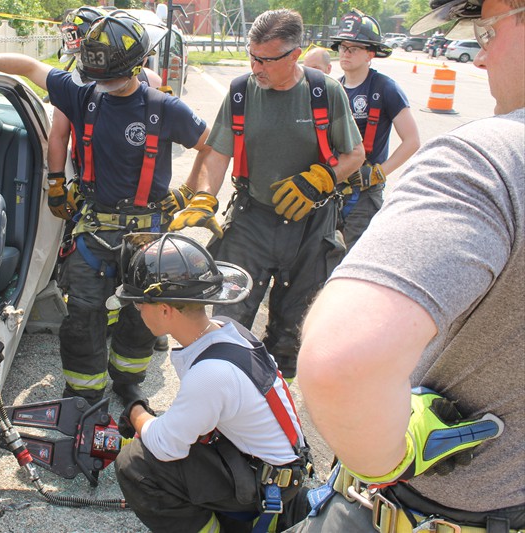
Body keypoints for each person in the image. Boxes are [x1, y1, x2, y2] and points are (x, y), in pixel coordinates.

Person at [288, 0, 524, 530]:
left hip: (429, 508)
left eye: (486, 31)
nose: (480, 60)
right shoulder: (325, 87)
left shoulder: (485, 161)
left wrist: (386, 455)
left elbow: (342, 361)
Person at [0, 14, 210, 405]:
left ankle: (127, 379)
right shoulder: (82, 94)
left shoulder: (164, 108)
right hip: (94, 230)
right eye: (96, 76)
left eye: (109, 77)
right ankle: (83, 391)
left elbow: (211, 144)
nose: (101, 84)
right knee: (84, 314)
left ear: (136, 66)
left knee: (142, 315)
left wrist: (192, 192)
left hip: (147, 232)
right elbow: (32, 67)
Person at [170, 9, 364, 380]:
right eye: (252, 57)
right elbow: (218, 152)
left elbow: (355, 155)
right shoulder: (242, 91)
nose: (256, 67)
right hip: (252, 218)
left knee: (294, 330)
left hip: (311, 225)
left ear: (294, 55)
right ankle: (225, 397)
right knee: (229, 316)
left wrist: (320, 179)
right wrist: (205, 196)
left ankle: (275, 403)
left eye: (266, 60)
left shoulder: (325, 92)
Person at [110, 232, 313, 533]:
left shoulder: (211, 373)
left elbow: (167, 446)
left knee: (135, 463)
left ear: (165, 310)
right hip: (277, 467)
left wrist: (137, 413)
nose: (138, 309)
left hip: (270, 486)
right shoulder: (227, 332)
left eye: (140, 303)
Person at [46, 7, 170, 353]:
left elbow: (57, 136)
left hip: (103, 196)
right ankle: (138, 328)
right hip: (117, 195)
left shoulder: (80, 83)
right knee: (137, 274)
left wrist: (56, 183)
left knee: (101, 273)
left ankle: (113, 328)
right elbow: (60, 135)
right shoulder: (145, 81)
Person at [330, 12, 421, 250]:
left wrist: (380, 172)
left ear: (371, 53)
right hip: (334, 187)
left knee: (355, 255)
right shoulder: (335, 88)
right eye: (343, 47)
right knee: (325, 254)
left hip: (364, 193)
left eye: (354, 48)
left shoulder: (385, 88)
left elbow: (412, 141)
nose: (345, 53)